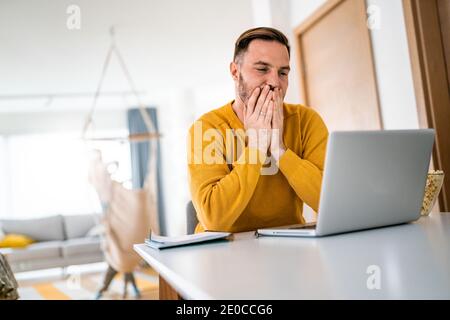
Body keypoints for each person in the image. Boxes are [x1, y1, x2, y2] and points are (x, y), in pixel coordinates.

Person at [187, 27, 329, 233]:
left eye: (283, 72)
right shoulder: (207, 128)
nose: (274, 82)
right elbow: (213, 219)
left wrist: (280, 150)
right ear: (235, 72)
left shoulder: (306, 121)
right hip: (223, 250)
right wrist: (256, 147)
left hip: (288, 243)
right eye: (262, 69)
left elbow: (328, 202)